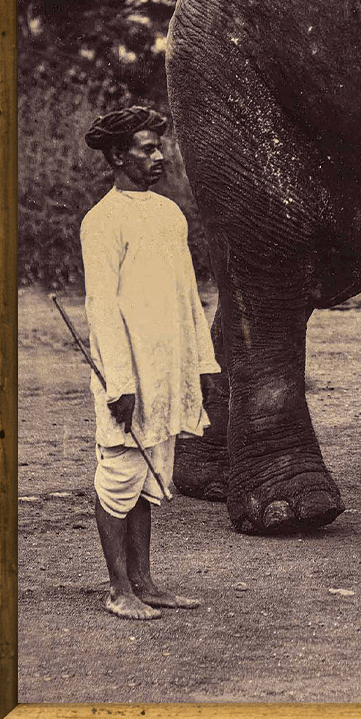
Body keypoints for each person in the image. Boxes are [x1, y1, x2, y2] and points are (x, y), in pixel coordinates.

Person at [78, 105, 220, 621]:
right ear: (117, 156)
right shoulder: (102, 222)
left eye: (159, 147)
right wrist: (118, 381)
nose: (158, 156)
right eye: (146, 148)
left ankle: (146, 583)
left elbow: (187, 297)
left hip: (166, 369)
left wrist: (199, 365)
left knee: (149, 475)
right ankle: (119, 590)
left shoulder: (168, 214)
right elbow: (102, 307)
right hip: (127, 374)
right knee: (118, 473)